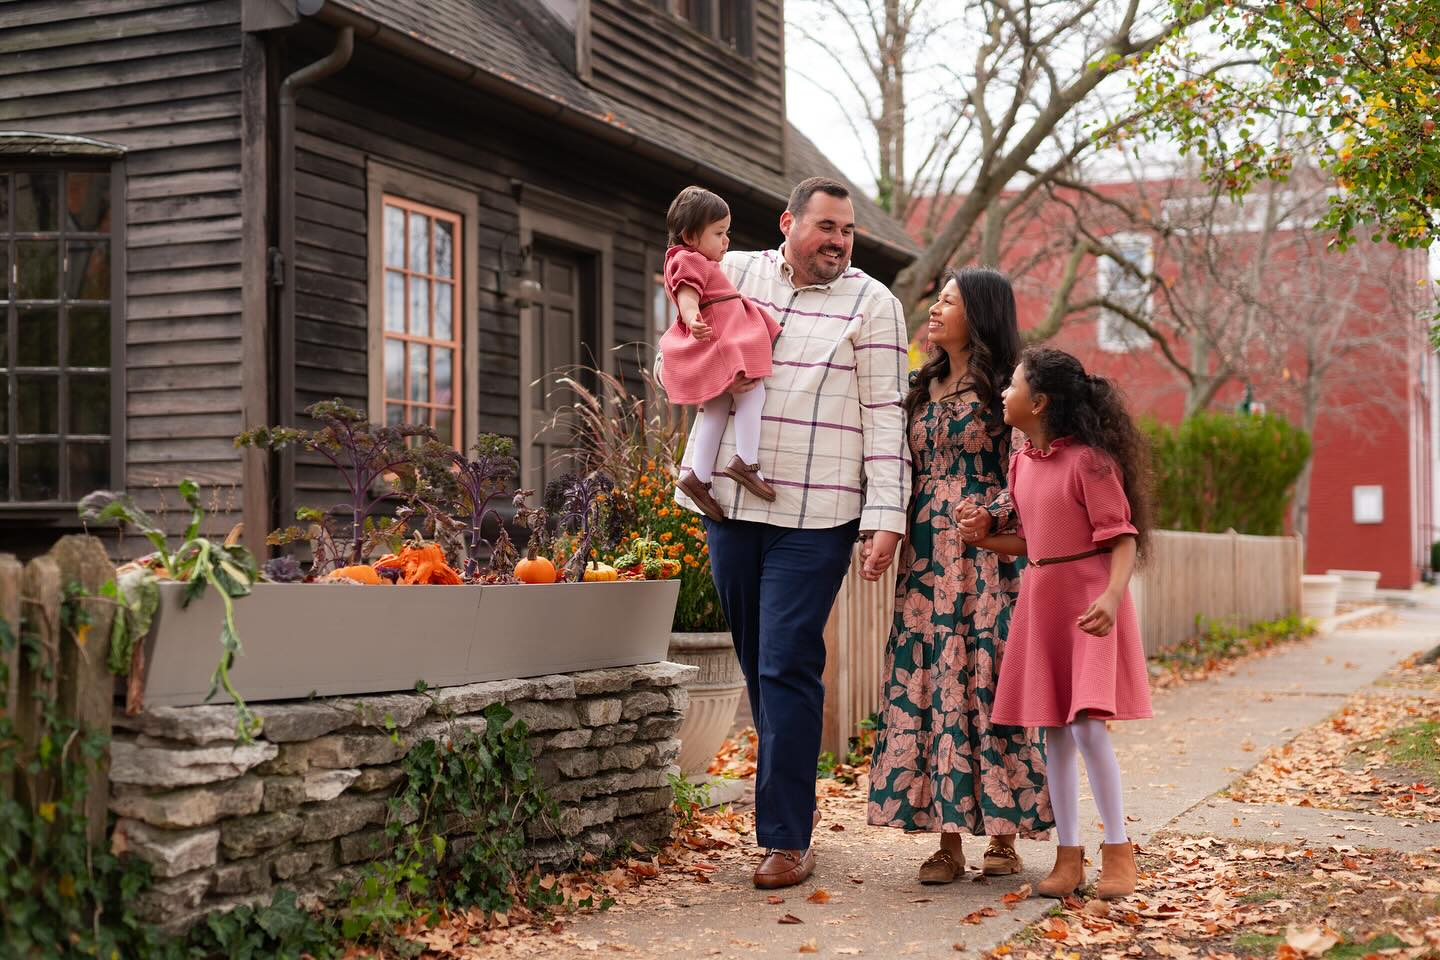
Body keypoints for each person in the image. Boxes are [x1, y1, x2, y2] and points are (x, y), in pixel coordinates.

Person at [657, 176, 910, 889]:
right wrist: (711, 371)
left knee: (786, 662)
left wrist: (886, 517)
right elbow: (675, 334)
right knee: (758, 665)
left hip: (819, 514)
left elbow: (885, 415)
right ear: (787, 223)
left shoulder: (875, 304)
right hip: (729, 507)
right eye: (826, 226)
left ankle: (786, 837)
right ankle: (784, 809)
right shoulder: (734, 270)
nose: (838, 241)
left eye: (847, 231)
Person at [867, 268, 1052, 885]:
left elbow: (1027, 467)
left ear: (980, 314)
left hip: (986, 560)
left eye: (948, 301)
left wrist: (992, 513)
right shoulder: (919, 387)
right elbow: (898, 468)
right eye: (938, 299)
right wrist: (884, 528)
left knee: (989, 680)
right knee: (930, 684)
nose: (935, 309)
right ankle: (946, 841)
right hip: (925, 560)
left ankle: (1003, 835)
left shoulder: (1006, 388)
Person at [959, 346, 1153, 901]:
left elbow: (1122, 537)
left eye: (1013, 384)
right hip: (1042, 598)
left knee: (1088, 726)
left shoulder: (1091, 463)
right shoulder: (1021, 462)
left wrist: (1113, 597)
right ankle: (1068, 857)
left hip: (1090, 603)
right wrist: (982, 538)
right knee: (1054, 734)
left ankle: (1118, 851)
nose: (1004, 393)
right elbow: (1032, 542)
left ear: (1039, 401)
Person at [658, 186, 783, 519]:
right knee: (753, 394)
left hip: (717, 338)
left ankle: (698, 477)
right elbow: (687, 296)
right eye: (718, 233)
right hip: (721, 339)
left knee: (715, 412)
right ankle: (746, 461)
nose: (726, 240)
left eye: (727, 232)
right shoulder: (689, 259)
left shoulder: (689, 259)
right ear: (690, 236)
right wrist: (692, 319)